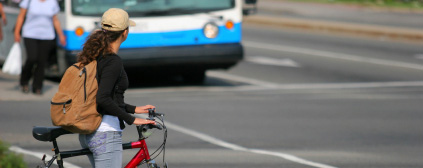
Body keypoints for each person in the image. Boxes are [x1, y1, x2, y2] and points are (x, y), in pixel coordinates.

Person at [77, 8, 157, 168]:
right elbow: (102, 98)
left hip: (90, 132)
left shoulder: (94, 54)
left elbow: (104, 96)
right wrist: (132, 119)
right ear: (125, 33)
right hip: (105, 133)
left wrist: (133, 109)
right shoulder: (113, 61)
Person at [14, 0, 66, 95]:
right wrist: (17, 32)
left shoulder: (52, 2)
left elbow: (55, 20)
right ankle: (24, 81)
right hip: (30, 34)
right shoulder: (29, 1)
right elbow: (21, 16)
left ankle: (37, 86)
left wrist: (61, 35)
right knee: (32, 58)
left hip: (47, 35)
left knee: (42, 61)